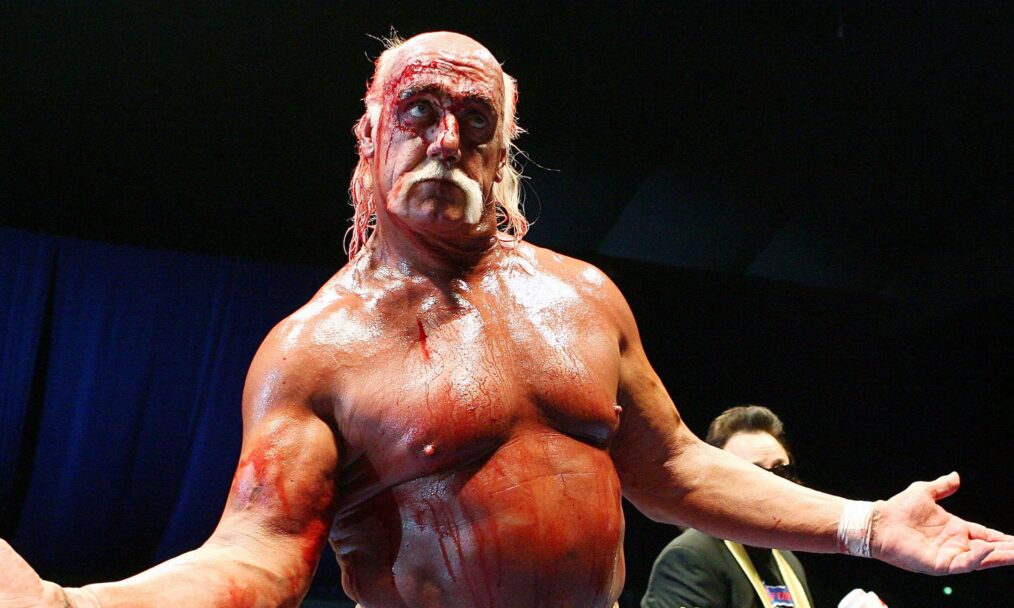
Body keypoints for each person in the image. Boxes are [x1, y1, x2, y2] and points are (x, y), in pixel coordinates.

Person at [1, 31, 1012, 608]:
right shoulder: (317, 350)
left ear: (502, 153)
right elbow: (258, 553)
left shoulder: (584, 299)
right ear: (371, 139)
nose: (447, 136)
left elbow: (679, 471)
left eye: (474, 122)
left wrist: (871, 525)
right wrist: (73, 605)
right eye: (419, 112)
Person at [643, 405, 886, 608]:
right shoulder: (690, 558)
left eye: (782, 470)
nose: (772, 485)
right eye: (753, 473)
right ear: (716, 484)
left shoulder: (787, 561)